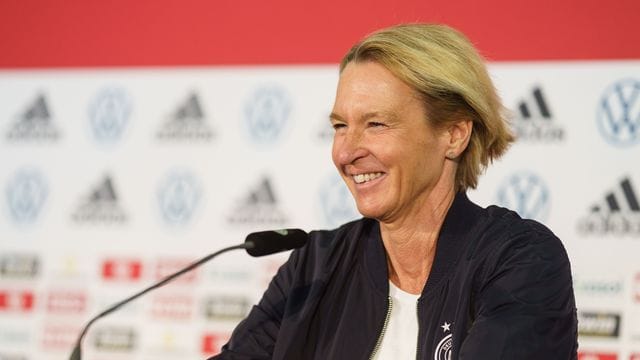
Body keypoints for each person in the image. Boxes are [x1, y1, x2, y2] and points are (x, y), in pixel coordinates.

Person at [211, 23, 578, 359]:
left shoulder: (522, 260)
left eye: (376, 124)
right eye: (340, 125)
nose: (346, 151)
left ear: (454, 134)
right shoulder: (315, 266)